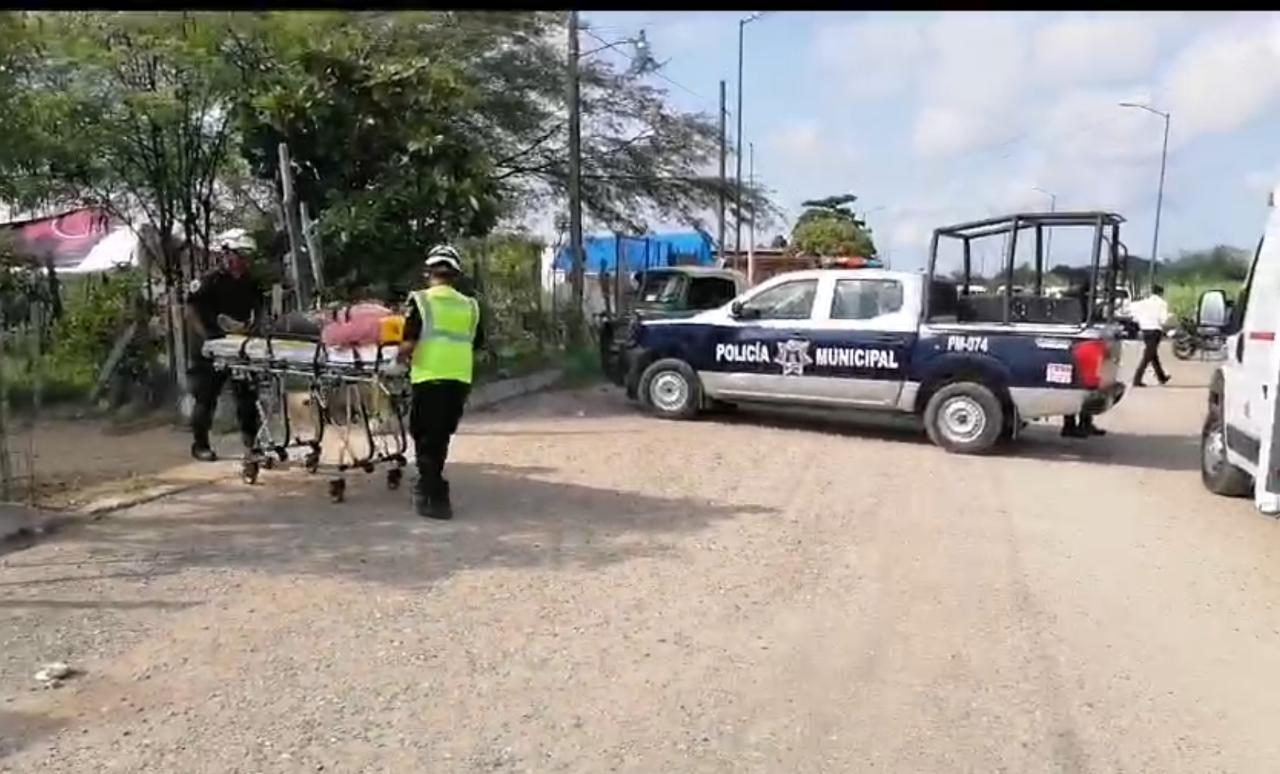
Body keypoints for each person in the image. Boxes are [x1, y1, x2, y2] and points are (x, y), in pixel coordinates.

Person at [398, 244, 485, 520]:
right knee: (440, 435)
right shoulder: (470, 306)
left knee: (424, 435)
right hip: (459, 379)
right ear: (455, 275)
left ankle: (433, 495)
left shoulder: (421, 301)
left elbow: (409, 342)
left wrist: (397, 358)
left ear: (429, 272)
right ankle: (432, 487)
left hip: (428, 376)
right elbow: (477, 341)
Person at [185, 239, 264, 461]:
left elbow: (259, 309)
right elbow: (191, 310)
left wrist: (254, 328)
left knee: (247, 396)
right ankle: (200, 445)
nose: (243, 261)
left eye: (247, 257)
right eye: (240, 256)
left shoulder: (250, 282)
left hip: (239, 346)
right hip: (211, 346)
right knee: (206, 398)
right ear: (229, 255)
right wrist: (207, 339)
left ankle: (252, 444)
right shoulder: (209, 281)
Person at [1061, 277, 1106, 438]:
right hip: (1081, 345)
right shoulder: (1082, 301)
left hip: (1072, 345)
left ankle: (1073, 423)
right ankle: (1079, 424)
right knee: (1084, 386)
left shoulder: (1068, 299)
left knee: (1075, 385)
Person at [1131, 283, 1172, 387]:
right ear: (1161, 293)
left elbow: (1134, 316)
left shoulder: (1142, 303)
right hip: (1155, 330)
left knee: (1152, 355)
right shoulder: (1162, 303)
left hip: (1145, 330)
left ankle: (1161, 377)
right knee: (1148, 356)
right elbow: (1163, 319)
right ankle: (1137, 379)